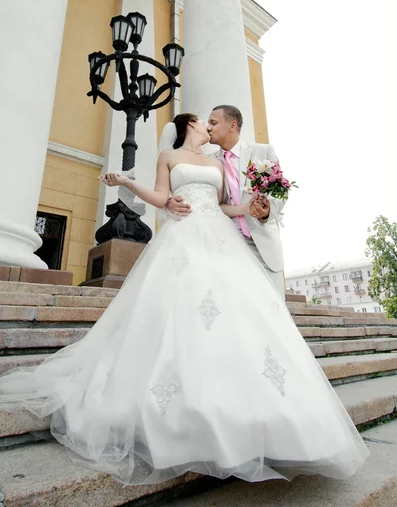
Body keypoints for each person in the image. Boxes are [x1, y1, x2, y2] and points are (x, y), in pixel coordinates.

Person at [0, 113, 369, 486]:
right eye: (201, 120)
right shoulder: (169, 157)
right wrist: (131, 183)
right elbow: (162, 196)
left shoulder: (215, 162)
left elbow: (223, 205)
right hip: (182, 241)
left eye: (212, 120)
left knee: (236, 319)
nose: (207, 125)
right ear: (187, 126)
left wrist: (248, 209)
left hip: (219, 241)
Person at [166, 105, 286, 297]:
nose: (209, 127)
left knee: (274, 307)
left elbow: (280, 192)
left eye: (214, 122)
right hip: (225, 245)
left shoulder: (263, 153)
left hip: (262, 242)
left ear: (232, 125)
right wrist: (169, 201)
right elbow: (201, 196)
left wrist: (267, 210)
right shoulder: (208, 162)